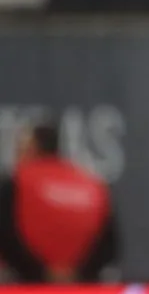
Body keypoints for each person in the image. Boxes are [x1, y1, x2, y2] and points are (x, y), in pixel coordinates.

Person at [0, 121, 119, 284]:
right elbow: (108, 245)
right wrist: (76, 273)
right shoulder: (92, 184)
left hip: (27, 287)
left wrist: (41, 272)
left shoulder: (16, 183)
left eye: (20, 150)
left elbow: (6, 235)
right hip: (80, 287)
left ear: (32, 149)